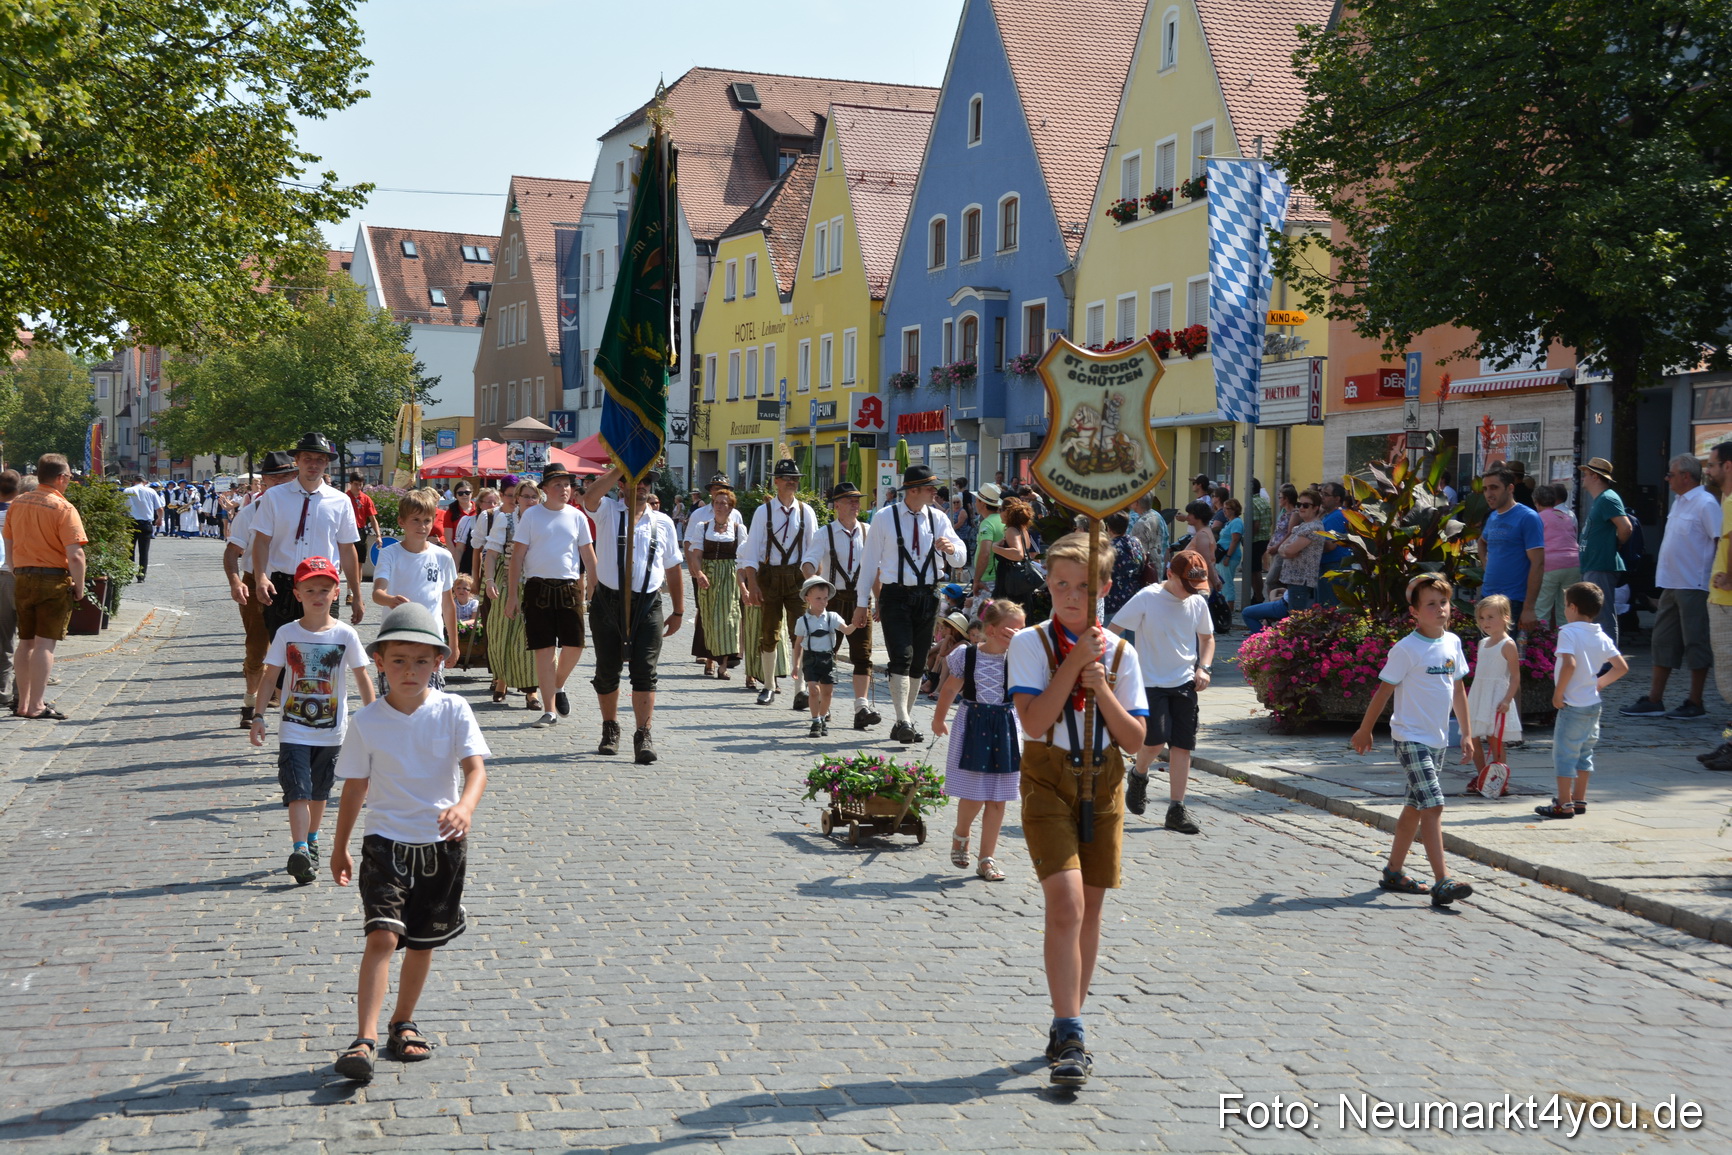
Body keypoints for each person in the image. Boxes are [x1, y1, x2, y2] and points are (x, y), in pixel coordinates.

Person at [1007, 532, 1148, 1088]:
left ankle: (1069, 1020)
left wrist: (1101, 684)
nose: (1070, 596)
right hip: (1048, 777)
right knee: (1064, 903)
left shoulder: (1122, 653)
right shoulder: (1031, 643)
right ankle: (1071, 1034)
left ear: (1106, 588)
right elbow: (1034, 721)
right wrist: (1074, 665)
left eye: (1084, 587)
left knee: (1089, 910)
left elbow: (1134, 739)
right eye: (1061, 584)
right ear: (1047, 584)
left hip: (1105, 778)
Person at [328, 603, 490, 1083]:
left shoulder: (453, 710)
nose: (410, 670)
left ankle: (403, 1022)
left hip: (442, 844)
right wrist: (340, 846)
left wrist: (465, 807)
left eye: (421, 660)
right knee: (382, 935)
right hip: (385, 842)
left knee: (422, 941)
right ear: (379, 662)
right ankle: (364, 1039)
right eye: (399, 660)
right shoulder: (367, 722)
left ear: (439, 662)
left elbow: (476, 770)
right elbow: (354, 787)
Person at [1350, 574, 1477, 909]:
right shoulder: (1406, 649)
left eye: (1444, 602)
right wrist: (1365, 729)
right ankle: (1443, 881)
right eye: (1431, 604)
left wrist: (1466, 732)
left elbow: (1459, 690)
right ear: (1415, 612)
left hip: (1437, 740)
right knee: (1433, 804)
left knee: (1415, 806)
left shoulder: (1453, 643)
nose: (1440, 609)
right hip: (1410, 738)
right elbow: (1383, 692)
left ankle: (1393, 872)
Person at [249, 556, 375, 883]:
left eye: (324, 589)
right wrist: (259, 715)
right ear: (298, 594)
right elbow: (270, 676)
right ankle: (300, 849)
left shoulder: (346, 635)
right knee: (298, 791)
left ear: (336, 593)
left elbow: (362, 677)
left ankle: (313, 838)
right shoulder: (287, 633)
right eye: (310, 590)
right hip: (293, 730)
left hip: (331, 732)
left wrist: (377, 717)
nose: (318, 596)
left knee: (319, 792)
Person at [580, 464, 686, 764]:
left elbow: (673, 568)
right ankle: (610, 728)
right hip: (608, 602)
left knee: (645, 671)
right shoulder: (608, 512)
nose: (640, 486)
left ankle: (643, 734)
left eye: (645, 482)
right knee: (606, 670)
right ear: (621, 486)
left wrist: (679, 610)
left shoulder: (663, 522)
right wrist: (622, 466)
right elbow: (589, 498)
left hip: (647, 604)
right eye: (633, 481)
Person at [859, 465, 967, 743]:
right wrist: (862, 603)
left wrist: (952, 549)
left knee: (918, 661)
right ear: (913, 490)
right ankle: (904, 720)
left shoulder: (938, 518)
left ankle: (902, 721)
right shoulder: (885, 517)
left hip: (928, 596)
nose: (935, 492)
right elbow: (869, 563)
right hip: (895, 595)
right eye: (930, 487)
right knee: (902, 657)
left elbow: (961, 557)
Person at [1110, 550, 1214, 836]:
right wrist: (1116, 667)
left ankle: (1176, 808)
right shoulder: (1147, 597)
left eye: (1197, 586)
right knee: (1154, 741)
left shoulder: (1196, 601)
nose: (1192, 591)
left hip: (1185, 683)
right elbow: (1113, 630)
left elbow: (1207, 638)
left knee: (1182, 745)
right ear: (1170, 574)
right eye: (1187, 584)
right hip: (1150, 682)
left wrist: (1204, 667)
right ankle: (1139, 773)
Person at [932, 598, 1026, 882]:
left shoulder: (1020, 658)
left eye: (1022, 630)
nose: (1019, 635)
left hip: (1005, 725)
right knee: (973, 794)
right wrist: (939, 719)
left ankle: (987, 858)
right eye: (1013, 630)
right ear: (992, 630)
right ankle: (961, 834)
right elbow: (950, 689)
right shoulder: (968, 655)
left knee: (998, 798)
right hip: (973, 724)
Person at [1620, 454, 1719, 721]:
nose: (1667, 478)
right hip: (1671, 584)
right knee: (1662, 641)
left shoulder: (1706, 503)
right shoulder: (1679, 502)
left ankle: (1695, 701)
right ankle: (1655, 699)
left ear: (1686, 476)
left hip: (1694, 584)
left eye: (1671, 474)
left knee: (1696, 642)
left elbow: (1720, 541)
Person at [503, 464, 596, 729]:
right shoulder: (532, 515)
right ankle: (549, 710)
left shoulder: (577, 516)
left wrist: (597, 589)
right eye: (557, 484)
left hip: (569, 587)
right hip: (537, 587)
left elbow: (588, 555)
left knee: (575, 645)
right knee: (543, 650)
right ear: (545, 489)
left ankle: (557, 684)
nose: (564, 489)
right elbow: (517, 557)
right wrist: (512, 595)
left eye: (567, 484)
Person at [252, 433, 363, 638]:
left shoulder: (340, 501)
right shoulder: (274, 497)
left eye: (320, 459)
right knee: (284, 651)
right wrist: (260, 578)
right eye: (307, 458)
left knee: (324, 650)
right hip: (283, 586)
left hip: (324, 586)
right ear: (297, 460)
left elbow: (347, 549)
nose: (313, 464)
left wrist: (356, 594)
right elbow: (261, 541)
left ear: (327, 463)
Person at [4, 454, 89, 721]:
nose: (69, 481)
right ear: (61, 478)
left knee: (25, 642)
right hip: (52, 580)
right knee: (44, 644)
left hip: (22, 577)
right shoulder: (63, 507)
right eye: (69, 477)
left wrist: (16, 569)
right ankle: (37, 705)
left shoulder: (18, 503)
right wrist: (79, 586)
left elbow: (8, 542)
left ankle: (23, 703)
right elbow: (76, 555)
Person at [1538, 582, 1629, 818]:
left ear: (1572, 607)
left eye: (1565, 605)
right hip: (1592, 704)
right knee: (1584, 753)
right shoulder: (1600, 634)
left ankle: (1563, 803)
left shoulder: (1568, 632)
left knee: (1564, 754)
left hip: (1572, 704)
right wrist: (1600, 683)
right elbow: (1621, 667)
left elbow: (1569, 664)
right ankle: (1579, 799)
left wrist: (1558, 693)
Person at [740, 459, 820, 708]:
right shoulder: (763, 512)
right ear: (776, 481)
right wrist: (753, 584)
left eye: (795, 478)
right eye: (787, 478)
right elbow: (751, 552)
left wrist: (815, 585)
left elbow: (814, 552)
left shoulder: (807, 512)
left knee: (801, 632)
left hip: (798, 579)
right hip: (770, 577)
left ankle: (800, 689)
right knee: (769, 633)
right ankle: (768, 685)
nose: (792, 482)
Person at [226, 452, 298, 725]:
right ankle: (250, 700)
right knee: (257, 647)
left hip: (292, 582)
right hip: (256, 580)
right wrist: (235, 581)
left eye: (287, 476)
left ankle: (288, 702)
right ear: (264, 480)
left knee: (294, 646)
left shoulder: (301, 509)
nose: (282, 482)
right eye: (275, 477)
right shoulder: (250, 512)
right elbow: (231, 552)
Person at [801, 481, 881, 729]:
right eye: (849, 500)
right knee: (825, 655)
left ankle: (861, 708)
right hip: (832, 600)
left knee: (863, 655)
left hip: (860, 600)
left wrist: (879, 600)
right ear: (837, 505)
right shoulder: (824, 533)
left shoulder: (868, 531)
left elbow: (875, 570)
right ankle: (822, 707)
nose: (855, 504)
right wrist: (813, 586)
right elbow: (808, 562)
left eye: (857, 500)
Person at [482, 482, 542, 710]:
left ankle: (531, 691)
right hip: (507, 582)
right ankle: (502, 679)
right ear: (517, 498)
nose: (530, 500)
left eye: (534, 496)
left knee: (531, 636)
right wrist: (489, 581)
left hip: (536, 584)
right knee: (501, 634)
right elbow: (491, 554)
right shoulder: (505, 520)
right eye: (525, 496)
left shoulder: (544, 520)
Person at [687, 475, 746, 679]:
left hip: (729, 577)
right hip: (709, 575)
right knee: (709, 617)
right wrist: (699, 573)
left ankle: (723, 665)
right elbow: (696, 554)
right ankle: (709, 660)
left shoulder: (738, 528)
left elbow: (743, 557)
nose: (719, 506)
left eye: (724, 503)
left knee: (729, 619)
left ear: (731, 507)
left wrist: (744, 581)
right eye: (717, 502)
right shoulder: (702, 525)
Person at [792, 574, 865, 736]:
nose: (823, 602)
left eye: (825, 598)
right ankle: (815, 721)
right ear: (808, 599)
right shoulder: (802, 621)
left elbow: (846, 630)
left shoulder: (832, 617)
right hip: (811, 659)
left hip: (828, 659)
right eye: (818, 598)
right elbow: (798, 644)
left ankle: (823, 717)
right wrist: (796, 665)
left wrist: (855, 624)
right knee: (813, 690)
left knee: (827, 693)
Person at [1464, 595, 1521, 788]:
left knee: (1494, 739)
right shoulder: (1483, 643)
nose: (1485, 622)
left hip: (1497, 697)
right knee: (1473, 736)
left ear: (1505, 617)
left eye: (1490, 617)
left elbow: (1515, 677)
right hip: (1480, 695)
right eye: (1481, 618)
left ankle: (1499, 779)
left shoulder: (1508, 645)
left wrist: (1507, 700)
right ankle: (1482, 775)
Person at [1478, 467, 1544, 631]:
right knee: (1486, 647)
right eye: (1485, 489)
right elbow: (1482, 542)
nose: (1488, 494)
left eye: (1494, 487)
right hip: (1487, 596)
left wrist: (1529, 608)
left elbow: (1538, 564)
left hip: (1512, 601)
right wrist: (1486, 565)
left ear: (1510, 488)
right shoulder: (1493, 516)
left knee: (1508, 648)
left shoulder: (1528, 517)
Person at [1577, 457, 1632, 646]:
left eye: (1586, 474)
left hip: (1601, 565)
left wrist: (1616, 544)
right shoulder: (1602, 499)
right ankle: (1600, 657)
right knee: (1594, 614)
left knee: (1602, 614)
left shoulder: (1608, 498)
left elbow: (1626, 527)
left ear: (1595, 476)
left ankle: (1608, 660)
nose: (1583, 478)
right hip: (1594, 564)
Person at [1703, 443, 1732, 769]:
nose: (1708, 470)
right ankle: (1729, 741)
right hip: (1722, 599)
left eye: (1712, 465)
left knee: (1730, 679)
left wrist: (1730, 577)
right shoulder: (1726, 499)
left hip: (1727, 600)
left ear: (1728, 466)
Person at [1533, 484, 1581, 624]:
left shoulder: (1537, 518)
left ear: (1537, 502)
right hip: (1574, 563)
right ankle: (1565, 636)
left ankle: (1541, 637)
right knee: (1566, 608)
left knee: (1542, 608)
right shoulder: (1565, 516)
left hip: (1550, 565)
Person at [1103, 511, 1145, 623]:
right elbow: (1143, 561)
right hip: (1134, 598)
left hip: (1113, 600)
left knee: (1112, 633)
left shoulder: (1108, 547)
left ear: (1108, 528)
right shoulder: (1136, 542)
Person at [1316, 482, 1352, 606]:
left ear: (1337, 499)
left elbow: (1330, 545)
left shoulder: (1336, 516)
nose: (1322, 498)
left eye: (1326, 495)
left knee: (1330, 607)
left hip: (1333, 566)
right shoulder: (1332, 515)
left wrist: (1309, 546)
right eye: (1321, 494)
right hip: (1334, 566)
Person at [122, 474, 163, 580]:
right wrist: (159, 519)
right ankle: (141, 575)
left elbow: (122, 508)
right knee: (144, 551)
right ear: (144, 482)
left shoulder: (127, 491)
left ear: (134, 481)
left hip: (131, 523)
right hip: (146, 524)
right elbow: (160, 508)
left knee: (130, 550)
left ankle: (129, 573)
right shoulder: (151, 491)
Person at [0, 470, 15, 707]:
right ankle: (21, 693)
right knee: (28, 640)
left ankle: (4, 690)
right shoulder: (19, 512)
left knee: (4, 639)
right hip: (17, 573)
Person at [1128, 495, 1168, 575]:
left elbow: (1140, 554)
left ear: (1137, 503)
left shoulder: (1141, 523)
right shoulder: (1158, 517)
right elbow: (1166, 547)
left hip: (1146, 573)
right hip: (1157, 570)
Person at [1247, 479, 1272, 604]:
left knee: (1254, 571)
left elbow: (1255, 525)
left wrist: (1248, 539)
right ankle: (1257, 595)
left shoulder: (1252, 502)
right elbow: (1270, 521)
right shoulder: (1263, 501)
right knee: (1256, 569)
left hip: (1255, 540)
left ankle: (1258, 596)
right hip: (1265, 538)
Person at [1216, 498, 1244, 598]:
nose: (1224, 511)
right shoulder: (1229, 522)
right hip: (1222, 555)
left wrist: (1228, 556)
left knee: (1227, 583)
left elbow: (1235, 540)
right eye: (1224, 508)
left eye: (1227, 508)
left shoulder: (1236, 522)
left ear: (1234, 510)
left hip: (1229, 556)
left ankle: (1229, 605)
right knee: (1222, 582)